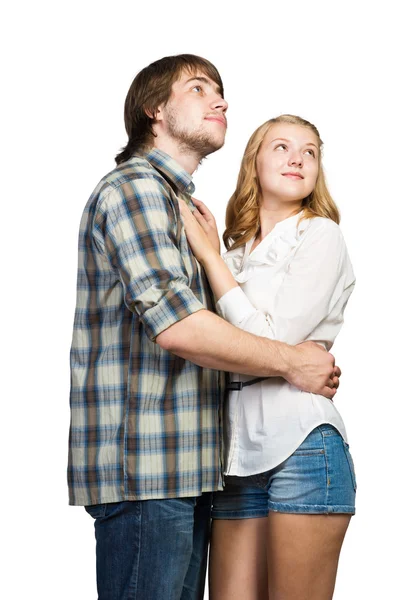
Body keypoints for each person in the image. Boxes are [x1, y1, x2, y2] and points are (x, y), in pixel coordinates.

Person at [68, 53, 341, 600]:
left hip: (196, 471)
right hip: (150, 468)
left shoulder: (187, 210)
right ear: (155, 111)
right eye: (198, 89)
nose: (220, 100)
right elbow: (180, 328)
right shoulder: (137, 189)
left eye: (221, 91)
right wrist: (294, 363)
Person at [179, 114, 356, 600]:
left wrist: (211, 260)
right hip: (235, 458)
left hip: (302, 445)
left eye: (309, 151)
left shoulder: (320, 235)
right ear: (253, 163)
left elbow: (272, 340)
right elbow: (205, 345)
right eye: (280, 147)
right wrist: (220, 257)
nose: (297, 158)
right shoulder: (235, 255)